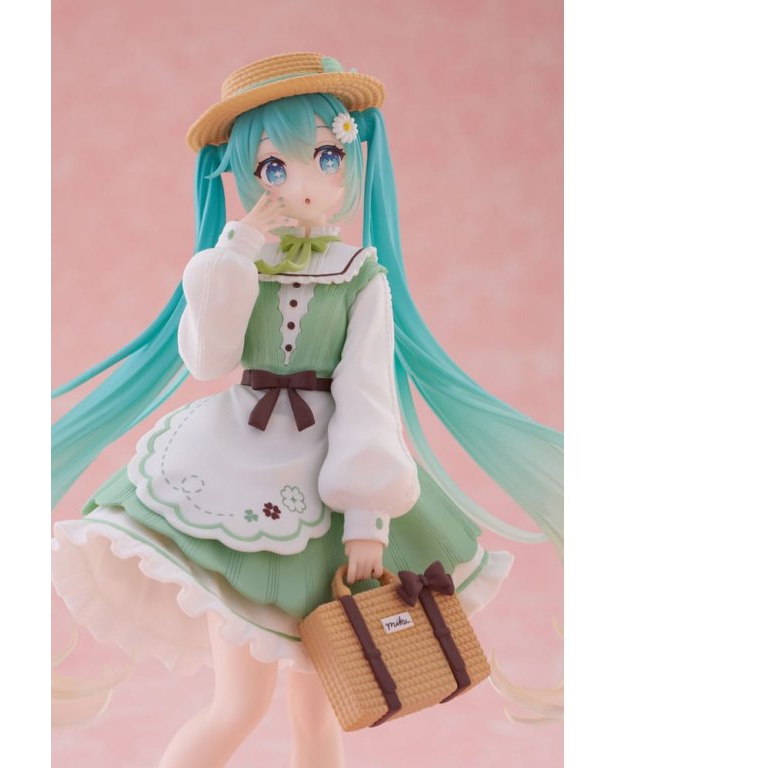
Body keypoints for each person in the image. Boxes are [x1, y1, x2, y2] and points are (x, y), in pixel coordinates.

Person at [51, 51, 563, 768]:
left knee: (321, 717)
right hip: (233, 476)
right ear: (243, 176)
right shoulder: (238, 265)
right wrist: (234, 252)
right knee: (236, 706)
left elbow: (369, 395)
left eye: (326, 157)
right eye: (273, 167)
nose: (305, 184)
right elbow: (207, 359)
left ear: (351, 159)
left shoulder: (360, 276)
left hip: (328, 490)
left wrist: (367, 517)